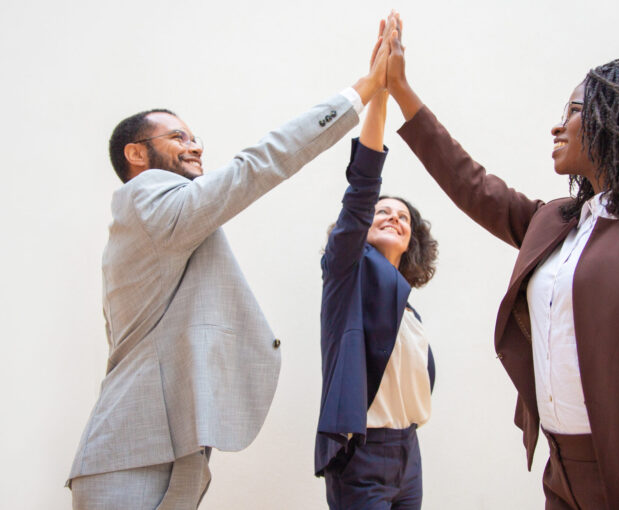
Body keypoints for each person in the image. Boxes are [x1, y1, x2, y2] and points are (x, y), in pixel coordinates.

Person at [385, 26, 619, 510]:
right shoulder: (557, 221)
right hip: (562, 476)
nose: (558, 127)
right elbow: (472, 184)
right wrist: (402, 93)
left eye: (574, 113)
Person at [66, 14, 399, 509]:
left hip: (176, 451)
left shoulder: (160, 228)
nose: (196, 144)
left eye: (195, 136)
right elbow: (256, 166)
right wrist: (363, 91)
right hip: (129, 457)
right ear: (136, 154)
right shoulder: (146, 196)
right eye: (178, 137)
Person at [315, 73, 439, 509]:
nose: (393, 217)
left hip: (408, 453)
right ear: (360, 229)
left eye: (403, 217)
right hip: (362, 457)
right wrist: (382, 94)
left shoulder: (409, 314)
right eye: (381, 212)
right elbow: (362, 187)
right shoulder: (344, 278)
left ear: (412, 242)